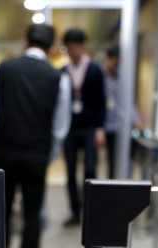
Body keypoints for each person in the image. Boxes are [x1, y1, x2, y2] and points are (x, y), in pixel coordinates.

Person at [0, 23, 71, 248]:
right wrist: (49, 154)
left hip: (5, 152)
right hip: (36, 155)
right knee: (32, 214)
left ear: (25, 40)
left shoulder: (5, 70)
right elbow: (61, 126)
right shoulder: (57, 77)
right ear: (51, 48)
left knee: (0, 213)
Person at [61, 28, 106, 227]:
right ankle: (74, 212)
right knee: (70, 171)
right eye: (69, 48)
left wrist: (100, 128)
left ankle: (90, 212)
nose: (72, 52)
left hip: (90, 127)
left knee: (90, 168)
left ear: (82, 46)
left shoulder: (95, 70)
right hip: (70, 128)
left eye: (75, 47)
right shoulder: (64, 71)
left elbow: (101, 101)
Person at [103, 44, 142, 179]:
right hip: (108, 126)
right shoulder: (101, 78)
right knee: (112, 162)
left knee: (126, 160)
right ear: (107, 59)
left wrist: (135, 119)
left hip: (123, 126)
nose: (115, 66)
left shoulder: (124, 78)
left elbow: (129, 101)